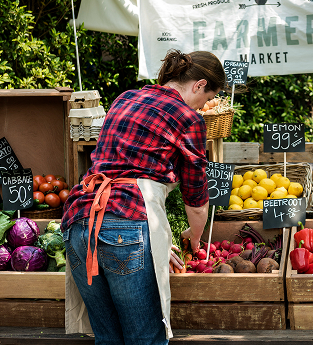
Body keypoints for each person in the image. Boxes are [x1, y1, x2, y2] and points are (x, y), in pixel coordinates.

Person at [61, 49, 225, 344]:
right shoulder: (188, 119)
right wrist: (194, 237)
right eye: (206, 98)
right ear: (199, 85)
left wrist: (157, 245)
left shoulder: (125, 98)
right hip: (127, 225)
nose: (202, 107)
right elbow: (196, 198)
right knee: (145, 338)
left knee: (108, 337)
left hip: (79, 221)